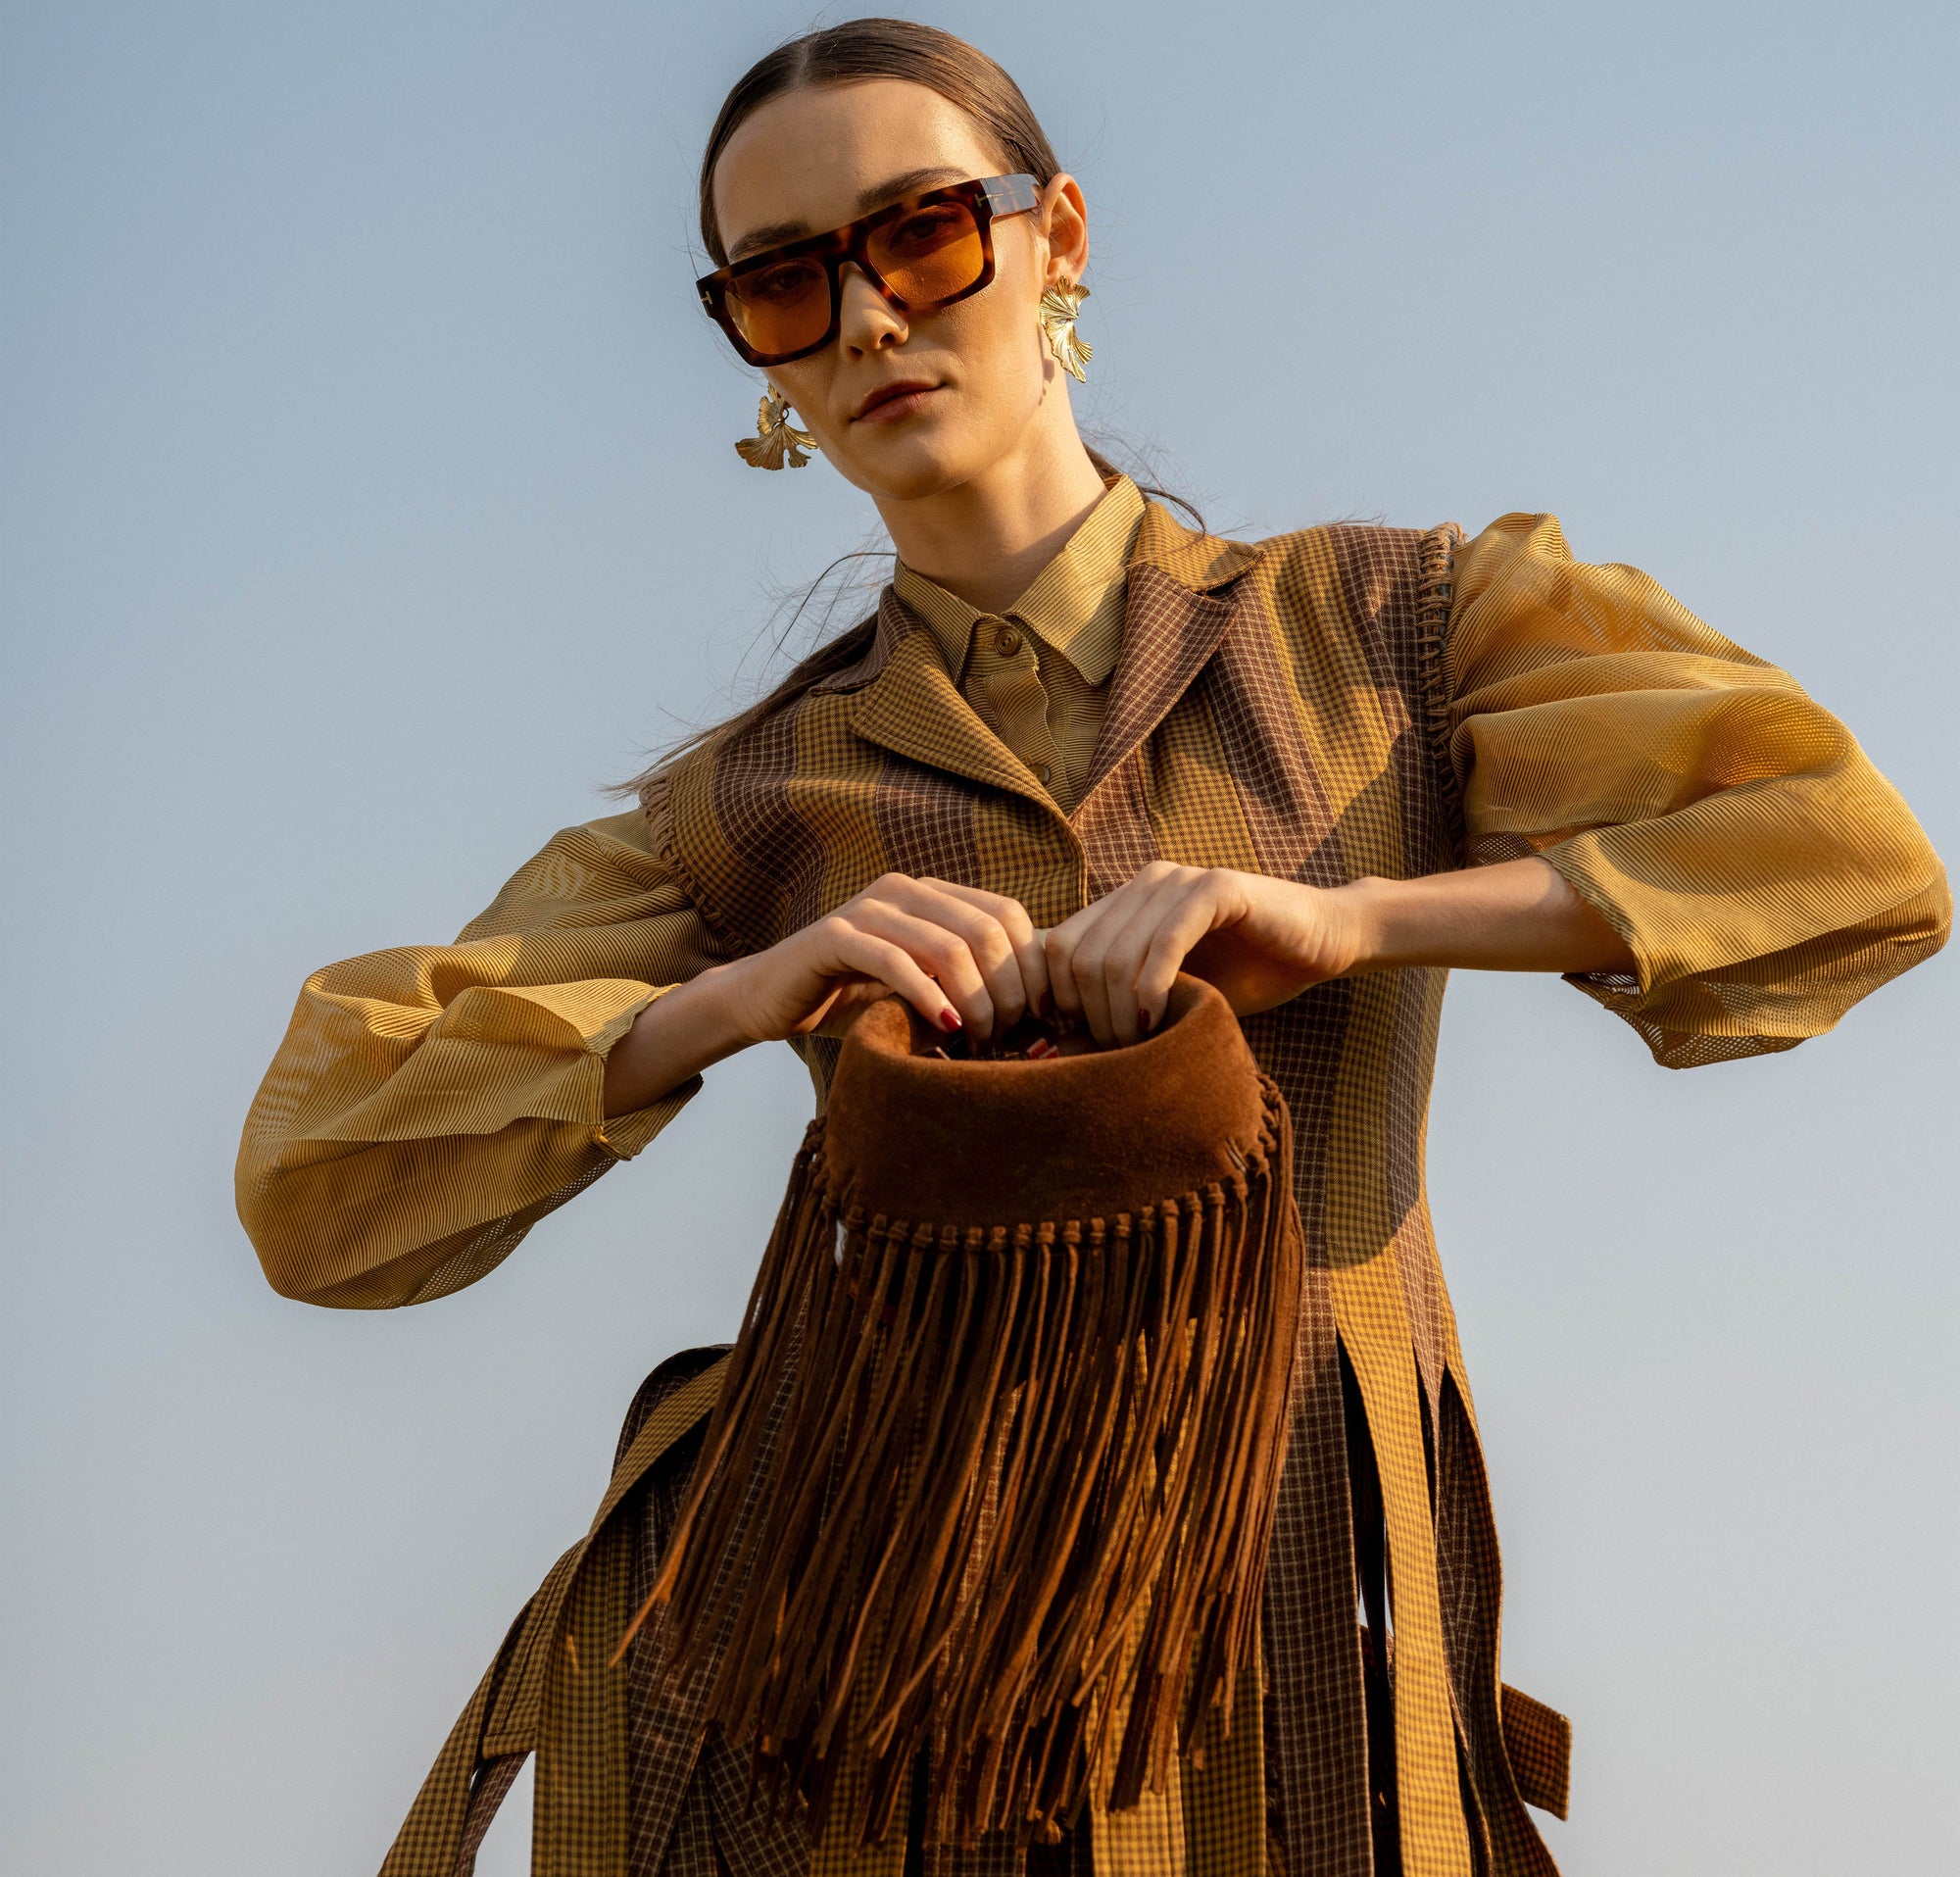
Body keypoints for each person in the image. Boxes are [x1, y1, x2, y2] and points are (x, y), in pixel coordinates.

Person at [236, 19, 1949, 1877]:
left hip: (1308, 1684)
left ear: (1054, 235)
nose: (867, 320)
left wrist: (1349, 920)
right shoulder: (746, 800)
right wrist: (736, 997)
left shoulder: (1388, 625)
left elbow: (1839, 860)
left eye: (919, 234)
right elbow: (321, 1183)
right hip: (886, 1722)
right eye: (785, 283)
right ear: (752, 346)